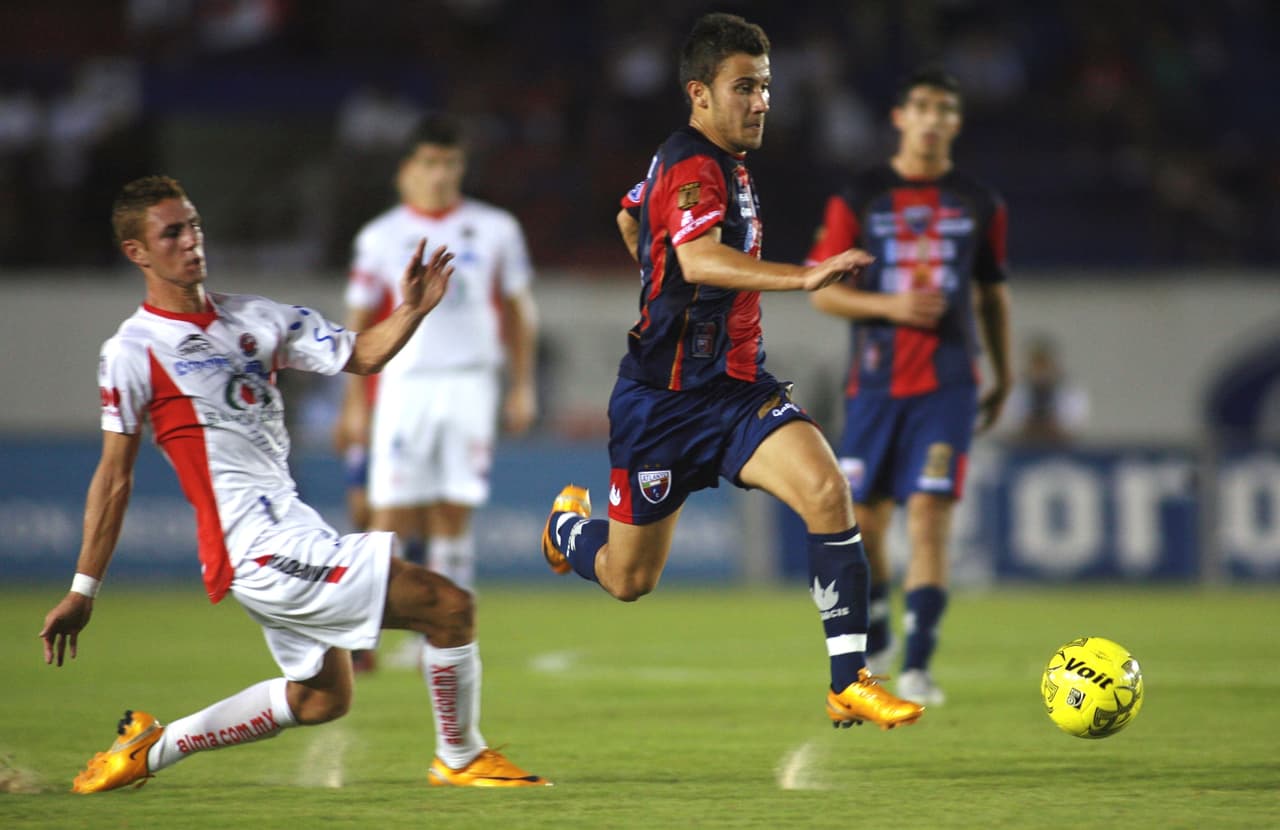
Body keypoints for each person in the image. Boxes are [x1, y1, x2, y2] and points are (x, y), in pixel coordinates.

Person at [39, 175, 548, 792]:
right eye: (171, 232)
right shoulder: (133, 350)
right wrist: (83, 589)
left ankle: (152, 747)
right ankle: (461, 756)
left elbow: (362, 354)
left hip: (292, 527)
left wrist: (410, 308)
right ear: (137, 253)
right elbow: (113, 478)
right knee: (448, 606)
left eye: (193, 224)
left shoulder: (256, 319)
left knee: (321, 699)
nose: (191, 240)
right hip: (252, 546)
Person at [539, 12, 924, 732]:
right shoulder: (693, 164)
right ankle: (567, 532)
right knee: (629, 578)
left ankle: (850, 680)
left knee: (826, 489)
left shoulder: (717, 166)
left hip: (736, 392)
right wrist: (803, 277)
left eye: (766, 86)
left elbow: (631, 216)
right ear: (699, 94)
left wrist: (654, 270)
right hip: (660, 403)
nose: (761, 102)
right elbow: (699, 259)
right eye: (744, 86)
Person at [805, 66, 1014, 705]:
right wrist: (891, 308)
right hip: (873, 384)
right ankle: (881, 636)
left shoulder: (980, 202)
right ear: (899, 117)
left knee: (928, 517)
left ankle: (919, 668)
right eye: (920, 105)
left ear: (955, 122)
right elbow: (822, 293)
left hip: (947, 382)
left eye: (944, 109)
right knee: (865, 523)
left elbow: (991, 294)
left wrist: (1002, 375)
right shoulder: (859, 196)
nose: (932, 118)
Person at [336, 112, 538, 596]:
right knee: (390, 512)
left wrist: (522, 386)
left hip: (472, 380)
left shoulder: (496, 228)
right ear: (409, 168)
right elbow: (357, 324)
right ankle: (371, 623)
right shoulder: (379, 236)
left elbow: (518, 311)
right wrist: (354, 402)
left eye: (450, 163)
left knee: (454, 510)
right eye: (430, 163)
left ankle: (445, 629)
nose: (440, 174)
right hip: (406, 382)